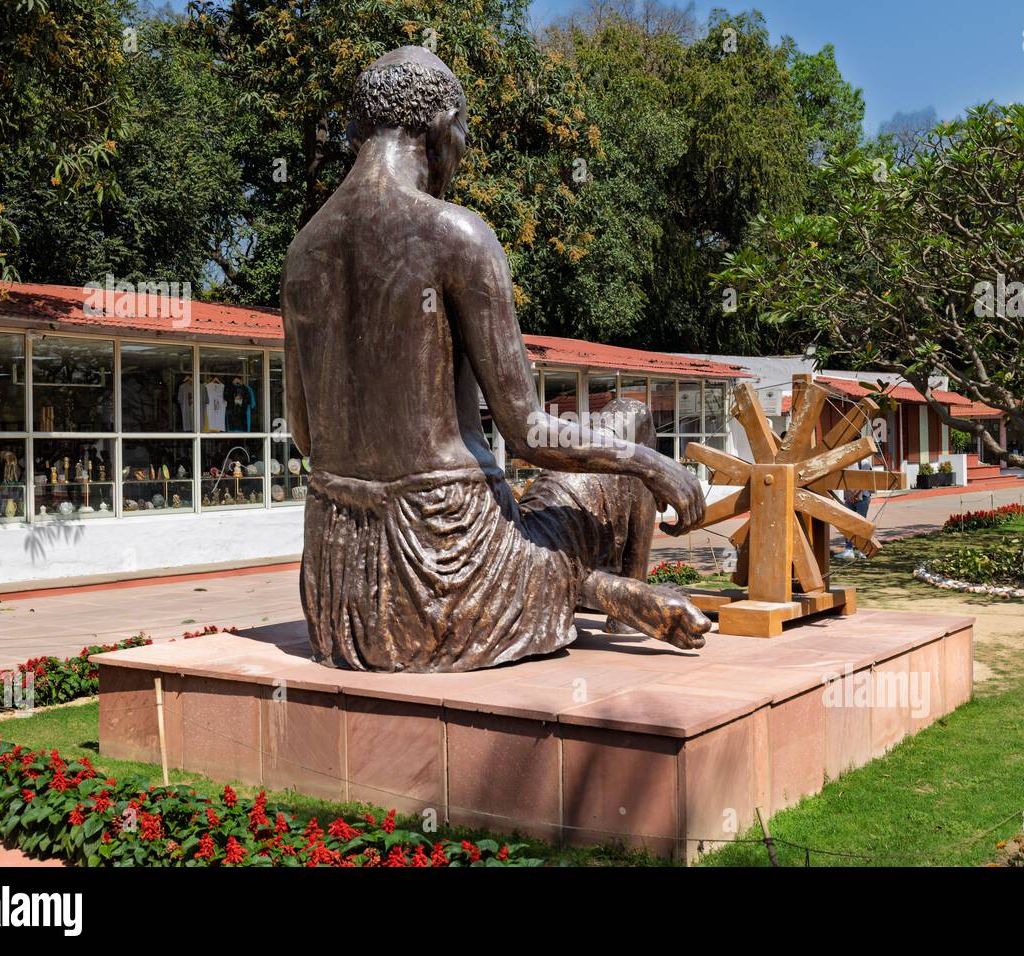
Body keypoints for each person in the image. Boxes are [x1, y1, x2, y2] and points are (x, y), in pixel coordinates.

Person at [280, 46, 710, 672]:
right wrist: (650, 465)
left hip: (342, 590)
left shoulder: (302, 252)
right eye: (461, 132)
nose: (460, 149)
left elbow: (302, 434)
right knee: (632, 421)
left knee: (551, 494)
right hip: (454, 564)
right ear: (436, 124)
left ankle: (584, 587)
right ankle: (595, 594)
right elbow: (529, 431)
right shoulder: (456, 233)